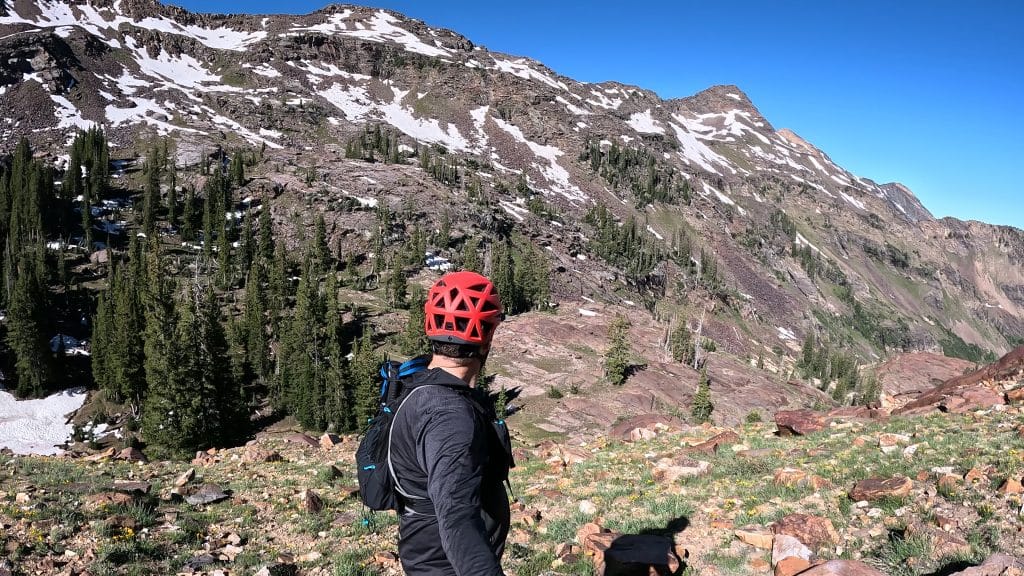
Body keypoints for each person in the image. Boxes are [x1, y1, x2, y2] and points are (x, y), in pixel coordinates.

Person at [388, 270, 513, 576]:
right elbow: (457, 518)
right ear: (489, 336)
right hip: (448, 567)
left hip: (427, 555)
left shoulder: (421, 387)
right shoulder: (451, 418)